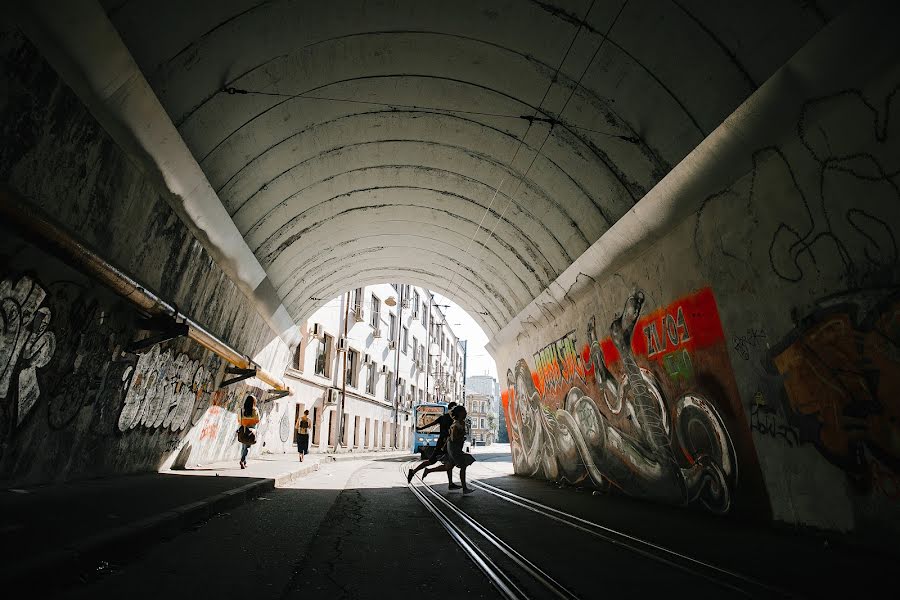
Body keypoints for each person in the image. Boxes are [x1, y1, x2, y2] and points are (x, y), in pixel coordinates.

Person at [406, 401, 459, 488]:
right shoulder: (448, 419)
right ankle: (416, 471)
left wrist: (421, 428)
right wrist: (420, 428)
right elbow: (432, 424)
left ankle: (450, 483)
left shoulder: (447, 418)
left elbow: (432, 424)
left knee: (448, 462)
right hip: (443, 444)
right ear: (451, 409)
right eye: (455, 409)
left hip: (446, 443)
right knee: (434, 461)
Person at [445, 405, 475, 494]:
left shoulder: (462, 422)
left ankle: (452, 484)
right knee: (463, 465)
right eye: (464, 411)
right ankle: (464, 488)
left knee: (450, 465)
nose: (466, 413)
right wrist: (461, 437)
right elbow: (454, 438)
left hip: (456, 447)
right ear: (460, 413)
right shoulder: (456, 424)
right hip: (454, 447)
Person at [237, 394, 260, 469]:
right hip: (251, 430)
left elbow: (239, 420)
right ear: (254, 402)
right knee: (248, 447)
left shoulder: (241, 410)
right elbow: (257, 420)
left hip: (243, 429)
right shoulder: (255, 410)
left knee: (243, 446)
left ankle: (244, 462)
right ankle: (242, 460)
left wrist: (245, 422)